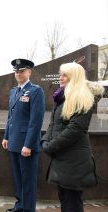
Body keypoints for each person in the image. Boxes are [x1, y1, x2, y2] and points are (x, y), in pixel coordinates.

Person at [41, 62, 104, 212]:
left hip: (74, 160)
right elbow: (53, 124)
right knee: (65, 198)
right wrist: (44, 140)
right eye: (60, 74)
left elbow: (74, 130)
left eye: (64, 75)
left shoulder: (83, 98)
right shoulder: (62, 96)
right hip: (62, 157)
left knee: (72, 202)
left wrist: (51, 146)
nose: (60, 77)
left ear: (74, 77)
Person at [2, 59, 45, 212]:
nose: (18, 74)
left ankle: (28, 209)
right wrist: (6, 136)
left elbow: (36, 121)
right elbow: (10, 117)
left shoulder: (36, 91)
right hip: (13, 141)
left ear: (29, 72)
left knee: (28, 180)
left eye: (21, 71)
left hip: (27, 145)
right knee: (18, 178)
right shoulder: (14, 91)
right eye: (16, 71)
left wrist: (28, 144)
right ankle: (20, 206)